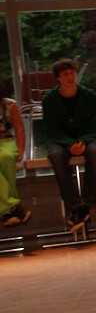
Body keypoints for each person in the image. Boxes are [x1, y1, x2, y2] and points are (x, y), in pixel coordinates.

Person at [42, 59, 96, 232]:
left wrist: (82, 141)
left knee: (95, 152)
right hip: (61, 140)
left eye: (72, 73)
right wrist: (69, 144)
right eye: (65, 74)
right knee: (56, 156)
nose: (70, 77)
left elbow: (93, 126)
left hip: (86, 138)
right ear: (58, 78)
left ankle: (88, 202)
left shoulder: (89, 96)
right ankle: (75, 206)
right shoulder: (50, 100)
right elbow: (51, 130)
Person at [0, 80, 30, 226]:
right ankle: (14, 207)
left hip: (7, 141)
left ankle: (7, 211)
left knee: (5, 158)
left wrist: (21, 151)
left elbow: (19, 130)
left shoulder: (9, 105)